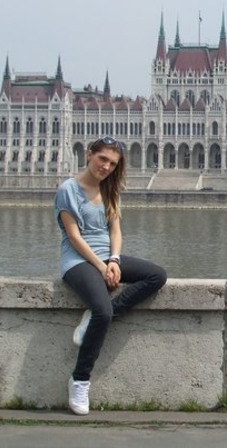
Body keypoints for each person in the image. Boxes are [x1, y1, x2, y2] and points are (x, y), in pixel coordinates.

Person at [55, 136, 167, 415]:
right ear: (89, 155)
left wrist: (114, 260)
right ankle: (80, 380)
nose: (106, 166)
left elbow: (115, 231)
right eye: (102, 159)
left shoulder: (109, 189)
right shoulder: (68, 189)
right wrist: (102, 267)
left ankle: (94, 318)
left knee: (157, 275)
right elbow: (73, 236)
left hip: (107, 256)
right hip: (78, 261)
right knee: (103, 311)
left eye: (112, 163)